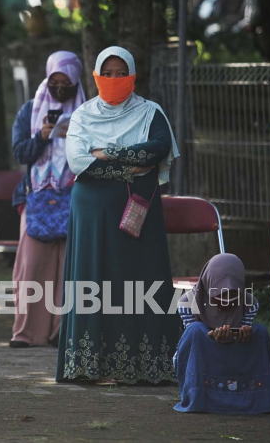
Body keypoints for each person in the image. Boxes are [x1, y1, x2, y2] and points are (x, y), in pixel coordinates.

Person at [55, 46, 181, 385]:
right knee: (94, 281)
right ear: (96, 75)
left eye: (119, 72)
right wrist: (130, 167)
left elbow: (158, 148)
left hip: (137, 209)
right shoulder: (82, 115)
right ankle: (90, 368)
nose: (113, 79)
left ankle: (146, 368)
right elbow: (79, 162)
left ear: (132, 75)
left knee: (139, 280)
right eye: (106, 73)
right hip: (92, 212)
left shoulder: (150, 112)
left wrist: (107, 153)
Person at [9, 51, 86, 348]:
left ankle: (60, 332)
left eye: (66, 81)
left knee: (68, 268)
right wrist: (42, 136)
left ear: (76, 80)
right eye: (54, 80)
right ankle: (26, 333)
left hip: (74, 195)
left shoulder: (88, 111)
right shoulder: (31, 110)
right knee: (32, 266)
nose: (60, 86)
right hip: (38, 197)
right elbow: (20, 153)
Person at [174, 253, 270, 414]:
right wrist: (212, 338)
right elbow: (192, 343)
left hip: (234, 354)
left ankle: (257, 397)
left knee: (260, 332)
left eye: (233, 296)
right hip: (201, 357)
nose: (226, 302)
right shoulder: (186, 302)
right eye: (219, 296)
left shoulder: (250, 303)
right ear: (208, 285)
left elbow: (243, 334)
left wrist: (243, 335)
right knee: (195, 331)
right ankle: (198, 395)